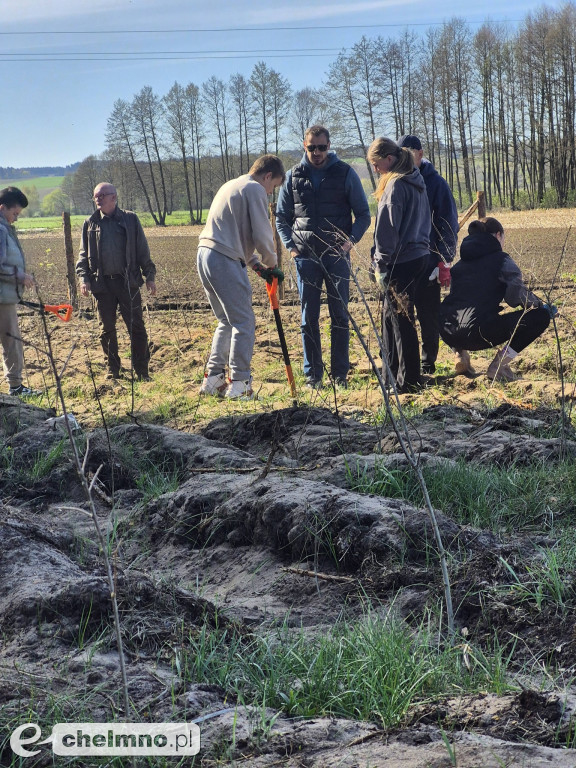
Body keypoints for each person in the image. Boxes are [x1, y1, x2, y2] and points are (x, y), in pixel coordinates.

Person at [275, 125, 371, 389]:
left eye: (322, 147)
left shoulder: (345, 174)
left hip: (336, 258)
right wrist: (291, 249)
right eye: (311, 147)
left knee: (340, 315)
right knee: (309, 319)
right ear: (304, 146)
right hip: (305, 259)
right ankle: (312, 376)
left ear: (329, 146)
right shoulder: (293, 177)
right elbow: (281, 218)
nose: (316, 152)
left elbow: (363, 214)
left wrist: (349, 243)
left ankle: (340, 375)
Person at [197, 154, 286, 400]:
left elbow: (236, 235)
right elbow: (262, 234)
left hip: (205, 255)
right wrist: (272, 263)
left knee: (226, 320)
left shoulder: (231, 185)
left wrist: (257, 266)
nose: (270, 193)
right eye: (273, 187)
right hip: (223, 259)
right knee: (244, 322)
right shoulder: (254, 189)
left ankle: (213, 380)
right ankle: (239, 384)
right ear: (267, 176)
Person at [439, 217, 554, 382]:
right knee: (540, 317)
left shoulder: (460, 264)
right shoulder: (501, 260)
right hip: (477, 335)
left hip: (447, 332)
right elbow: (516, 296)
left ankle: (460, 357)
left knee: (459, 311)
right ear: (498, 235)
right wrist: (539, 305)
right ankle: (498, 366)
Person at [367, 137, 431, 393]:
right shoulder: (416, 179)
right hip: (419, 256)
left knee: (401, 320)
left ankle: (409, 382)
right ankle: (390, 374)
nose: (375, 169)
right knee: (391, 317)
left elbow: (387, 230)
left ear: (389, 159)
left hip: (400, 261)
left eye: (376, 163)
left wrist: (380, 263)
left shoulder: (395, 185)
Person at [76, 183, 157, 381]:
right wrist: (84, 278)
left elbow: (142, 250)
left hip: (127, 284)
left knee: (136, 328)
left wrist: (150, 276)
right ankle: (113, 370)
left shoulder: (130, 219)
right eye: (95, 196)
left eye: (102, 195)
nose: (98, 199)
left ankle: (142, 371)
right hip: (102, 286)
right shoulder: (90, 223)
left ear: (114, 197)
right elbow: (83, 255)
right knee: (107, 330)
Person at [398, 135, 459, 375]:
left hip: (429, 260)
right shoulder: (396, 182)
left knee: (428, 314)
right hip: (403, 262)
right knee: (404, 312)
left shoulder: (436, 184)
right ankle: (407, 361)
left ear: (420, 154)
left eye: (408, 154)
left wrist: (443, 259)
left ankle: (428, 361)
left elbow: (448, 223)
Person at [0, 187, 39, 397]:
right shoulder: (0, 230)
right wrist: (20, 276)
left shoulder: (5, 228)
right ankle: (16, 387)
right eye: (14, 214)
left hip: (5, 296)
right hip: (2, 299)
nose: (16, 218)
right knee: (11, 341)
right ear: (2, 208)